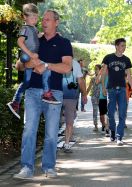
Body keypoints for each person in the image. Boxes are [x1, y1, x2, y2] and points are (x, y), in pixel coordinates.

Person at [13, 10, 73, 179]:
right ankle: (26, 168)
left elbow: (67, 67)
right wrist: (30, 63)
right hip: (32, 92)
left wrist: (45, 65)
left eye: (47, 19)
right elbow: (19, 65)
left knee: (51, 133)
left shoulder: (64, 42)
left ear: (56, 22)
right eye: (43, 19)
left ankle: (49, 167)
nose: (43, 22)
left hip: (54, 93)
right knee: (29, 130)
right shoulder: (34, 39)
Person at [7, 3, 59, 119]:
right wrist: (30, 54)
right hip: (27, 56)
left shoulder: (34, 29)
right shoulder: (25, 28)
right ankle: (47, 93)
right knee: (46, 69)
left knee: (27, 82)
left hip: (31, 57)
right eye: (32, 17)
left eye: (36, 17)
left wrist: (53, 35)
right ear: (25, 17)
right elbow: (20, 42)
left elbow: (38, 36)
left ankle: (15, 103)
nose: (35, 20)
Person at [101, 38, 132, 146]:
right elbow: (104, 73)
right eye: (121, 45)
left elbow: (129, 76)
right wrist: (103, 87)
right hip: (111, 89)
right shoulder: (108, 58)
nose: (123, 48)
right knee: (110, 113)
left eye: (125, 46)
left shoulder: (127, 60)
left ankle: (119, 137)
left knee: (122, 113)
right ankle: (112, 131)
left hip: (122, 89)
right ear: (116, 46)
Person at [62, 59, 87, 153]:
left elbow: (80, 81)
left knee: (69, 122)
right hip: (58, 95)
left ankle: (67, 143)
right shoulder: (55, 58)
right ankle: (65, 144)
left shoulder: (75, 64)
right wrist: (84, 94)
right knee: (66, 122)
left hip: (69, 96)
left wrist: (84, 94)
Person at [87, 64, 102, 132]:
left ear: (100, 70)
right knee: (95, 111)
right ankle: (95, 125)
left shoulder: (103, 78)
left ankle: (104, 125)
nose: (95, 70)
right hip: (94, 97)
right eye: (95, 69)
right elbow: (89, 87)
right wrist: (85, 95)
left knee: (103, 112)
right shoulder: (93, 79)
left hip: (102, 97)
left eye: (97, 69)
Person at [98, 65, 110, 137]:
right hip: (102, 97)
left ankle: (107, 128)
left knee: (108, 113)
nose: (104, 69)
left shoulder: (111, 75)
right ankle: (103, 125)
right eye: (102, 67)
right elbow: (96, 82)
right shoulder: (101, 75)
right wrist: (99, 73)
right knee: (102, 114)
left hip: (109, 97)